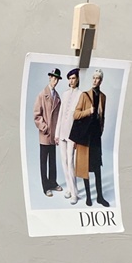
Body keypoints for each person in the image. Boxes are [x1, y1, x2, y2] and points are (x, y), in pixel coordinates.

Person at [70, 69, 109, 207]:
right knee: (85, 167)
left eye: (97, 78)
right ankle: (88, 197)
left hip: (95, 137)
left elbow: (102, 117)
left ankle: (100, 197)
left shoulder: (103, 97)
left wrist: (100, 131)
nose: (94, 80)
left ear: (101, 81)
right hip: (85, 137)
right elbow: (75, 114)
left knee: (97, 168)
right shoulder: (85, 95)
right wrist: (89, 111)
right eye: (93, 77)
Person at [33, 67, 62, 197]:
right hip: (45, 135)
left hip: (54, 136)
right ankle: (46, 187)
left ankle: (53, 182)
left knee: (53, 161)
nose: (55, 81)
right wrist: (44, 127)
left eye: (57, 79)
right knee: (44, 162)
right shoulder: (42, 95)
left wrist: (58, 133)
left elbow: (59, 117)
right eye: (54, 78)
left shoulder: (57, 97)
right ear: (50, 78)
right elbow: (36, 115)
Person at [55, 68, 82, 204]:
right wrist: (57, 134)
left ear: (77, 79)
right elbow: (60, 115)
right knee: (64, 162)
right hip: (62, 133)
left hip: (72, 134)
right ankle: (69, 189)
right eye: (70, 79)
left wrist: (77, 138)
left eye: (73, 78)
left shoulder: (81, 95)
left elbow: (80, 120)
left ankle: (74, 193)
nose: (71, 81)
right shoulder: (65, 94)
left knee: (71, 163)